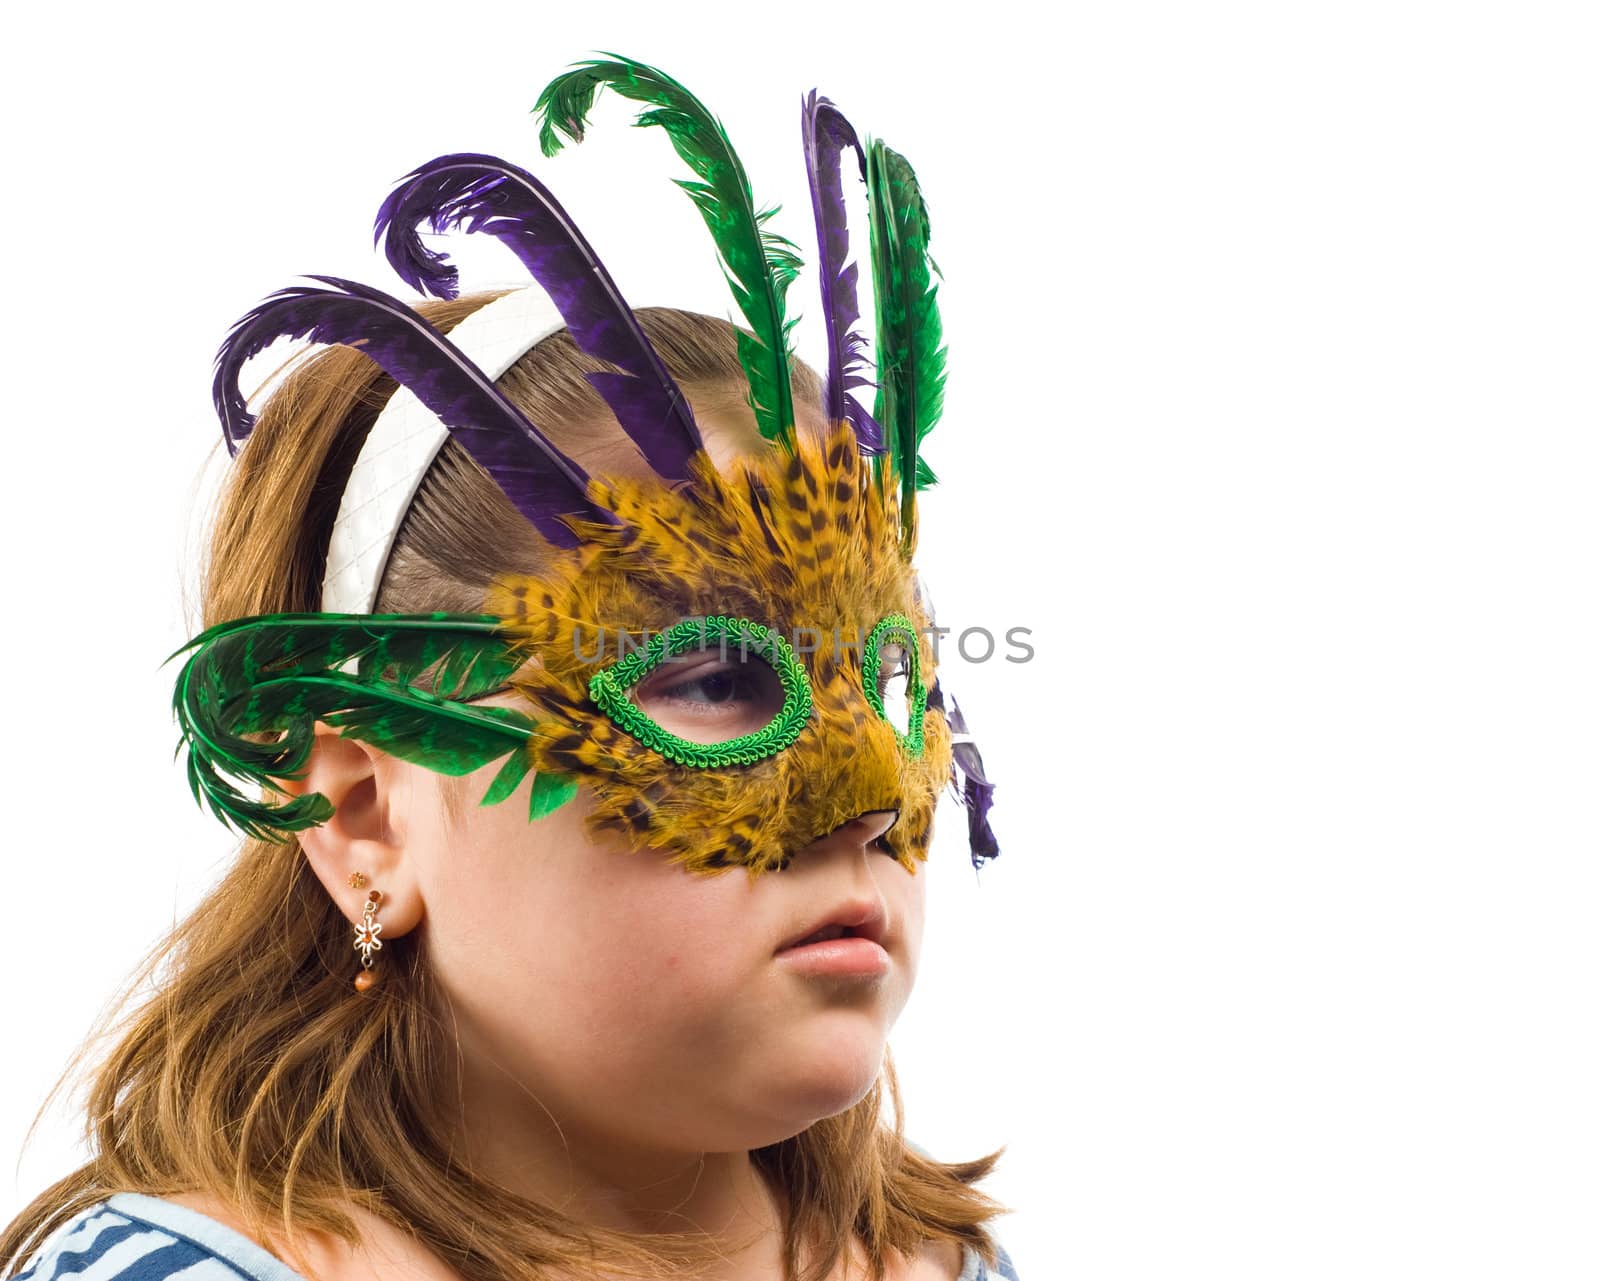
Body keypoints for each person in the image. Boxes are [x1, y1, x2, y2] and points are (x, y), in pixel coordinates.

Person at [1, 53, 1017, 1281]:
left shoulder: (936, 1265)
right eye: (711, 677)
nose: (866, 791)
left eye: (896, 677)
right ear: (366, 812)